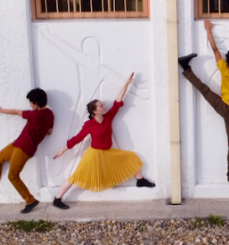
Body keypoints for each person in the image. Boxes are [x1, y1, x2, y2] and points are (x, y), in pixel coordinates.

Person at [51, 73, 155, 209]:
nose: (104, 106)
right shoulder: (89, 125)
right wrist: (63, 150)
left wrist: (126, 84)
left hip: (107, 152)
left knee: (131, 156)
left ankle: (140, 180)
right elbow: (78, 138)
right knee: (76, 176)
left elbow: (118, 101)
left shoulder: (108, 117)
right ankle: (57, 199)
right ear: (95, 112)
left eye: (102, 105)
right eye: (100, 106)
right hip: (94, 155)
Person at [178, 19, 229, 182]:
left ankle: (185, 68)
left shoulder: (225, 70)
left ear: (227, 62)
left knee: (204, 90)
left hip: (224, 106)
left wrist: (208, 30)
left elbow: (215, 49)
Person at [0, 88, 53, 214]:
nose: (29, 105)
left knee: (13, 176)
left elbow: (15, 112)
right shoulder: (49, 114)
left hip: (24, 149)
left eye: (30, 102)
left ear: (35, 103)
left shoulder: (34, 115)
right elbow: (50, 131)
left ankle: (30, 200)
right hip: (17, 144)